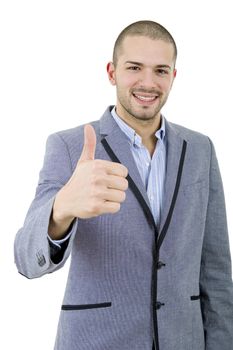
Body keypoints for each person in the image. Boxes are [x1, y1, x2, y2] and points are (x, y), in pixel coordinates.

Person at [14, 20, 233, 350]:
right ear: (112, 72)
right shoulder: (70, 146)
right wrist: (61, 209)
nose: (148, 82)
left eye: (160, 70)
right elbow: (26, 259)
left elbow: (216, 270)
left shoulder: (200, 149)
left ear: (173, 77)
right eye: (134, 68)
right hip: (100, 340)